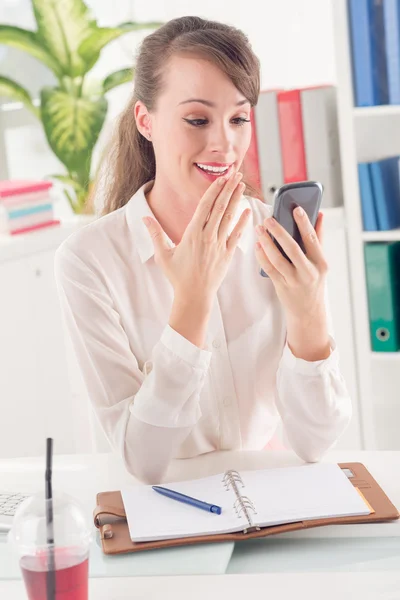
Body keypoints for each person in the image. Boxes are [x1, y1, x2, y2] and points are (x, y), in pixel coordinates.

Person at [54, 16, 352, 484]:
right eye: (197, 119)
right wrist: (190, 305)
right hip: (168, 513)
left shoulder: (273, 236)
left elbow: (316, 442)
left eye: (238, 118)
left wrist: (309, 314)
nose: (224, 144)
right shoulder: (88, 261)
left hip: (270, 503)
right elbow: (144, 461)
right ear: (146, 121)